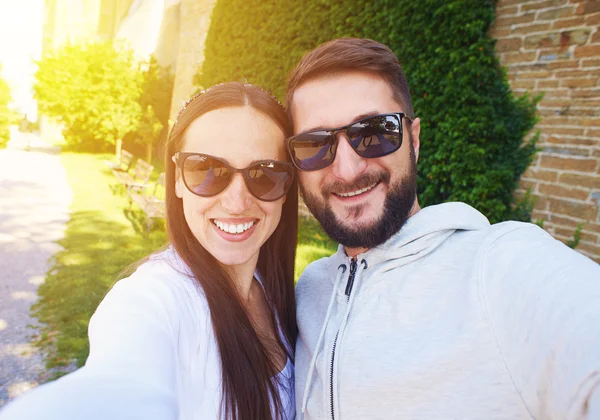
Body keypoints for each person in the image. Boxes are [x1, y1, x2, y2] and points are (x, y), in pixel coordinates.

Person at [286, 38, 600, 420]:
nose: (348, 170)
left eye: (374, 133)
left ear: (414, 140)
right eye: (315, 145)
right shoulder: (309, 292)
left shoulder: (498, 268)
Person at [0, 82, 299, 420]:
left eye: (265, 175)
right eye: (207, 170)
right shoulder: (151, 299)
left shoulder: (281, 291)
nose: (237, 202)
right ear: (176, 180)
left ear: (287, 188)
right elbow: (120, 382)